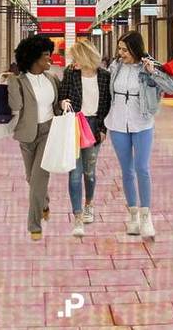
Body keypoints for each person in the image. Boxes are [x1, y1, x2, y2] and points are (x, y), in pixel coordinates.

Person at [105, 31, 173, 239]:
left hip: (142, 122)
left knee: (142, 168)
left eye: (125, 50)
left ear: (135, 49)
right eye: (119, 49)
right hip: (118, 123)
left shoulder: (149, 65)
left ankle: (146, 217)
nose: (121, 53)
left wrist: (153, 72)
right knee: (127, 171)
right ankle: (133, 216)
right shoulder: (116, 66)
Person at [8, 35, 71, 241]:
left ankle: (34, 225)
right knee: (31, 178)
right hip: (26, 134)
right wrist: (12, 80)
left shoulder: (52, 79)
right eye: (46, 55)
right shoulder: (19, 80)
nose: (50, 59)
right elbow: (16, 106)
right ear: (34, 58)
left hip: (48, 132)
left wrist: (63, 103)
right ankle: (43, 203)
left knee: (38, 178)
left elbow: (60, 101)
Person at [58, 41, 112, 238]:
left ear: (85, 57)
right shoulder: (71, 73)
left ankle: (89, 204)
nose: (73, 61)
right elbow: (61, 97)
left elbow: (107, 105)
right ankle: (78, 217)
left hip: (94, 126)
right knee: (74, 174)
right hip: (74, 125)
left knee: (89, 172)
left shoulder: (104, 76)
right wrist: (62, 103)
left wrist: (103, 129)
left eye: (75, 57)